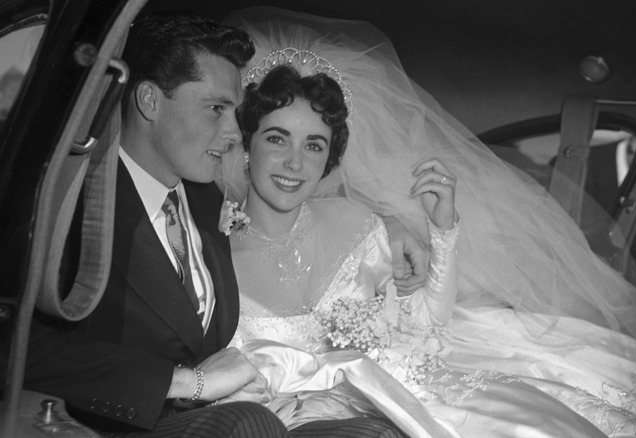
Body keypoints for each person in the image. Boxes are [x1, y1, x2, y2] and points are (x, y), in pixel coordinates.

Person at [217, 7, 636, 438]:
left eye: (315, 146)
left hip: (424, 381)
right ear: (246, 144)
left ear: (331, 159)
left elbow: (423, 327)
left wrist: (443, 231)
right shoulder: (208, 254)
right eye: (277, 138)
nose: (295, 164)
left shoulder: (355, 221)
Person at [23, 12, 409, 437]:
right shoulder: (74, 206)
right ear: (149, 100)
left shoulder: (209, 202)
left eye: (235, 112)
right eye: (216, 109)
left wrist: (395, 223)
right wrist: (189, 383)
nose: (233, 132)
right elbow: (20, 344)